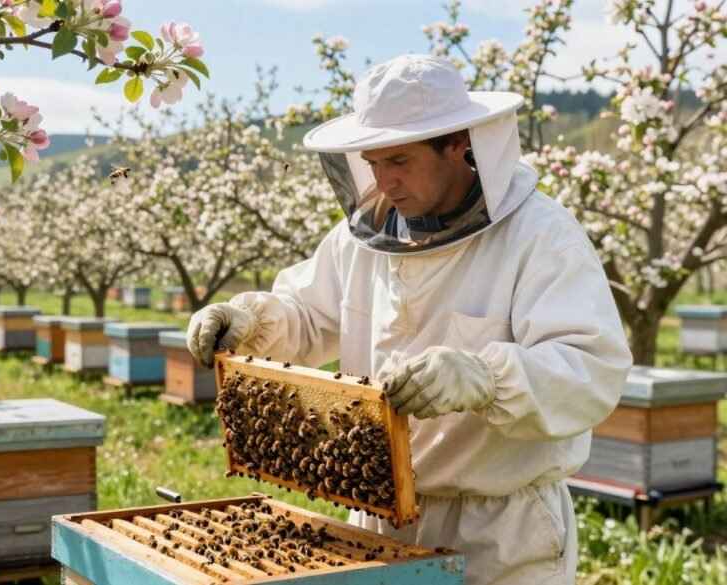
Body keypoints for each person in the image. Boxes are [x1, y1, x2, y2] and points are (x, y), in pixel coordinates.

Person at [187, 54, 632, 585]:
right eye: (373, 163)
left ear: (459, 143)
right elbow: (308, 315)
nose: (385, 181)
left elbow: (591, 369)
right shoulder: (365, 236)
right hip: (376, 509)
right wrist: (248, 320)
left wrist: (486, 378)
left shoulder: (540, 236)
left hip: (497, 528)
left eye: (400, 160)